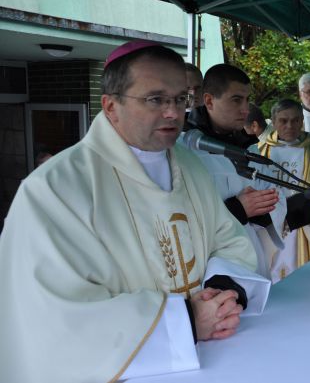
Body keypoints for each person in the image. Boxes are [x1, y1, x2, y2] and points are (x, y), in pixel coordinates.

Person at [0, 41, 269, 383]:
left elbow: (228, 240)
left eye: (180, 98)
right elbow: (53, 316)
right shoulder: (54, 189)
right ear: (110, 106)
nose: (174, 112)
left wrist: (224, 291)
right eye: (155, 99)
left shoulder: (192, 167)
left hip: (214, 355)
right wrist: (186, 321)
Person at [182, 63, 287, 278]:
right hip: (210, 267)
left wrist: (263, 208)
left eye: (247, 100)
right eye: (237, 100)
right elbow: (180, 213)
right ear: (209, 101)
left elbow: (274, 193)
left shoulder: (248, 146)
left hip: (252, 254)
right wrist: (237, 210)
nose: (246, 110)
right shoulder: (184, 147)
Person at [252, 99, 310, 282]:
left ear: (302, 121)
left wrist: (297, 212)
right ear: (273, 121)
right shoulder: (258, 152)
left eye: (295, 120)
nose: (290, 125)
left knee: (302, 279)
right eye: (283, 121)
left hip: (304, 226)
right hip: (268, 224)